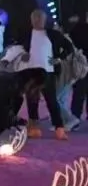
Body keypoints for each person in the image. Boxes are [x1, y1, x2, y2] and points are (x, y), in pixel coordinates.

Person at [19, 9, 73, 140]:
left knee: (51, 100)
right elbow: (19, 50)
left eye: (40, 18)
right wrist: (23, 56)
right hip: (31, 72)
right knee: (32, 100)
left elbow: (69, 47)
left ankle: (59, 128)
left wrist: (58, 59)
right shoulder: (27, 35)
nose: (37, 20)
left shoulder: (53, 34)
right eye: (35, 18)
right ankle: (34, 128)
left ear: (44, 20)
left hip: (48, 72)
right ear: (31, 20)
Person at [69, 13, 88, 121]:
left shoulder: (76, 29)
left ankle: (75, 118)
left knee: (79, 93)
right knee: (79, 92)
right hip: (81, 65)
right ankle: (75, 117)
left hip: (80, 65)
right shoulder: (78, 29)